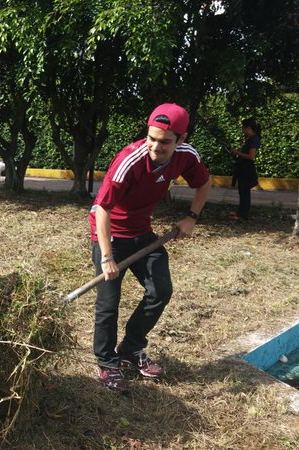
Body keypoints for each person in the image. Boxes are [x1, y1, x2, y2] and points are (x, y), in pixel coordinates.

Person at [89, 103, 212, 393]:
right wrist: (107, 257)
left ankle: (130, 348)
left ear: (181, 140)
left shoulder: (186, 156)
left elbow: (204, 184)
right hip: (111, 236)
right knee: (108, 303)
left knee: (161, 290)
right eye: (151, 138)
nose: (155, 147)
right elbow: (101, 209)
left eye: (165, 142)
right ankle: (107, 363)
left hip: (143, 233)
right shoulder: (129, 161)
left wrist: (191, 217)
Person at [228, 117, 261, 221]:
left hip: (247, 170)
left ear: (248, 128)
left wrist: (237, 153)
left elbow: (251, 156)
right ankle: (240, 212)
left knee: (245, 192)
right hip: (243, 169)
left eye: (243, 128)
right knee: (242, 192)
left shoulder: (253, 139)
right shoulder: (250, 139)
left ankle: (243, 215)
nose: (243, 130)